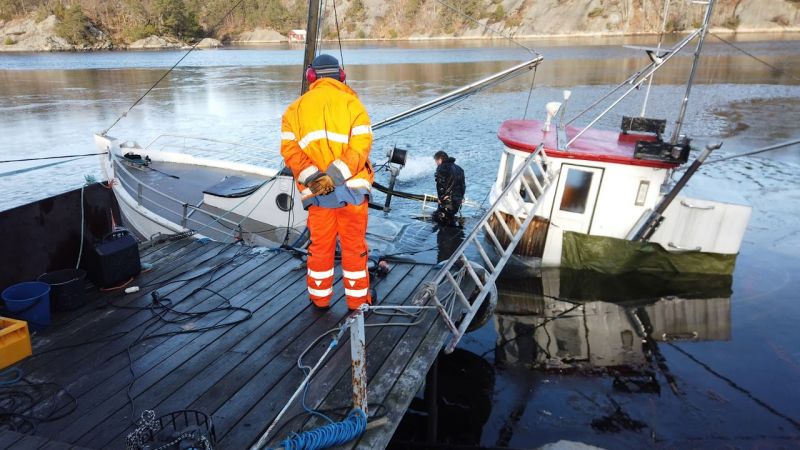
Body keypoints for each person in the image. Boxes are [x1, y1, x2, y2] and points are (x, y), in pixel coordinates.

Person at [280, 54, 374, 311]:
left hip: (319, 195)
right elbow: (360, 148)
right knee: (354, 247)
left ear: (311, 76)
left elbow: (291, 153)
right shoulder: (354, 106)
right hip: (352, 193)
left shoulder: (294, 110)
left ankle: (320, 299)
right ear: (340, 75)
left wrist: (316, 178)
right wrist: (335, 176)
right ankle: (358, 303)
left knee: (321, 247)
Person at [433, 151, 465, 226]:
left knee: (441, 221)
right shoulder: (459, 168)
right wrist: (462, 196)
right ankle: (455, 235)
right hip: (457, 200)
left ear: (440, 159)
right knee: (450, 218)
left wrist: (441, 198)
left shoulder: (442, 167)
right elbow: (463, 185)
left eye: (436, 161)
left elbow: (440, 184)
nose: (436, 164)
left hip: (447, 201)